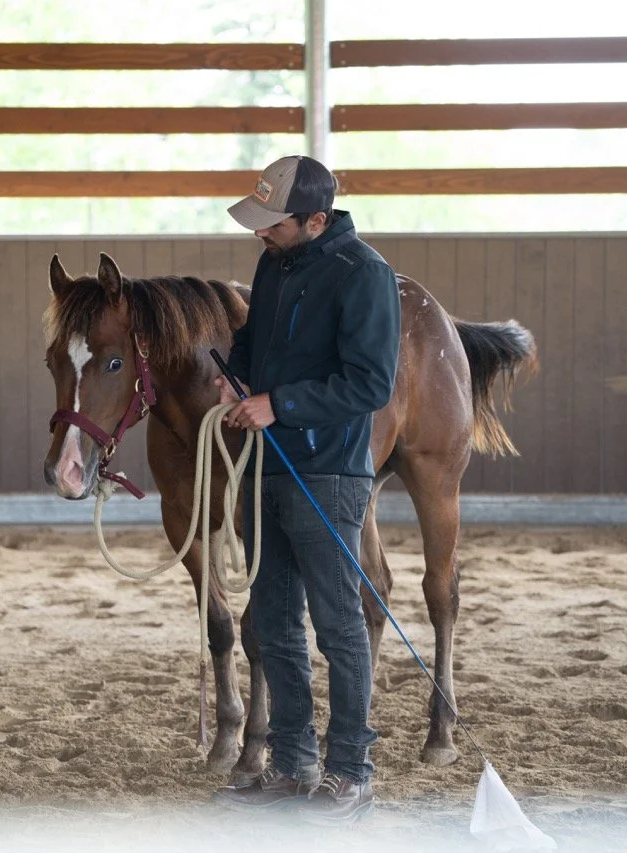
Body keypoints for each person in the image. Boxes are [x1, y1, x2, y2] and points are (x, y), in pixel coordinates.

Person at [211, 155, 400, 824]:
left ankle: (351, 769)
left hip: (328, 471)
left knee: (337, 623)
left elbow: (370, 385)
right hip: (266, 463)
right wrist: (235, 377)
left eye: (273, 223)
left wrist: (277, 404)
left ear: (316, 220)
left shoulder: (365, 275)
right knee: (274, 619)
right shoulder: (276, 264)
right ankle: (294, 761)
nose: (260, 234)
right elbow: (251, 339)